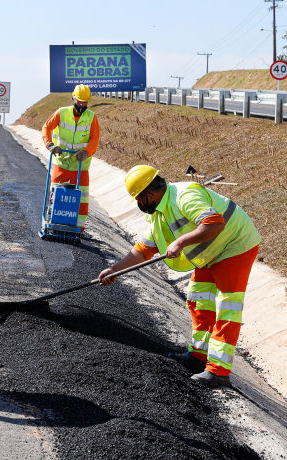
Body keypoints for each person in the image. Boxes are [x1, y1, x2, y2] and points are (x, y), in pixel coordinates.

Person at [98, 165, 261, 388]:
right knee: (198, 298)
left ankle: (219, 371)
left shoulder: (185, 196)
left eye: (138, 199)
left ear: (150, 195)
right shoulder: (159, 213)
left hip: (234, 245)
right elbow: (144, 249)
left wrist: (181, 242)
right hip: (209, 253)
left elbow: (215, 222)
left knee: (227, 307)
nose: (138, 205)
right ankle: (199, 355)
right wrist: (114, 270)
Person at [41, 84, 99, 231]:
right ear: (72, 98)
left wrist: (86, 152)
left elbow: (94, 139)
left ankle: (79, 227)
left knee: (82, 198)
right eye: (79, 101)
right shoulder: (62, 113)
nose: (81, 105)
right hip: (61, 162)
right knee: (56, 194)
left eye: (84, 102)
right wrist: (50, 145)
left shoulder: (91, 117)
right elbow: (46, 128)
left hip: (80, 166)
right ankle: (51, 221)